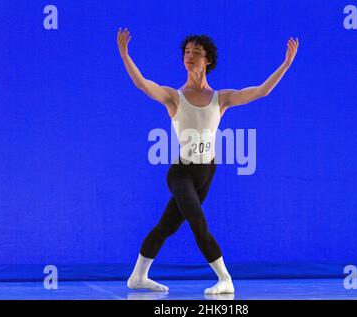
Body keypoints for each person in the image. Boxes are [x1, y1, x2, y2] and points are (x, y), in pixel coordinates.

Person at [117, 27, 298, 294]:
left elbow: (261, 91)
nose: (189, 56)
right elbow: (142, 84)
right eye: (187, 52)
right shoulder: (173, 97)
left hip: (207, 173)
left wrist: (286, 64)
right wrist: (124, 53)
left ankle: (138, 277)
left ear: (207, 60)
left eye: (196, 53)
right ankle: (225, 278)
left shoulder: (220, 99)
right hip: (181, 173)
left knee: (166, 226)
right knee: (198, 222)